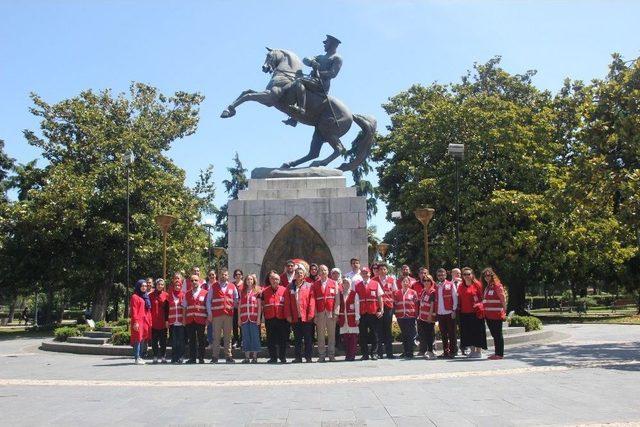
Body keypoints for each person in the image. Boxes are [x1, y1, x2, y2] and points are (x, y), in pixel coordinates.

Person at [283, 34, 343, 127]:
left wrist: (319, 72)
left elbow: (333, 74)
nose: (324, 44)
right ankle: (294, 118)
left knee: (299, 81)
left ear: (332, 44)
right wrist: (312, 62)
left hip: (321, 84)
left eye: (326, 42)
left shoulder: (337, 58)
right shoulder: (320, 57)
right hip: (313, 80)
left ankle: (301, 109)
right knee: (294, 80)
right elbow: (305, 59)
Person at [284, 266, 315, 363]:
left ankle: (308, 357)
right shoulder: (290, 286)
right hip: (295, 317)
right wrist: (288, 315)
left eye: (301, 273)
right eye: (297, 273)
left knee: (308, 338)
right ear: (295, 275)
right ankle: (298, 357)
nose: (299, 275)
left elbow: (312, 301)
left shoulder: (309, 286)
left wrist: (311, 314)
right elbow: (287, 302)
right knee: (297, 338)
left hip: (306, 317)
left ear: (304, 275)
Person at [207, 268, 238, 363]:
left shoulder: (232, 286)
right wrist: (210, 314)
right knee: (216, 336)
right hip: (216, 315)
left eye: (225, 275)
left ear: (228, 276)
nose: (223, 276)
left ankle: (228, 356)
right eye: (221, 274)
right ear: (218, 276)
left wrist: (232, 308)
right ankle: (215, 356)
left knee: (228, 336)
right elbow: (208, 300)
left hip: (228, 315)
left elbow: (236, 299)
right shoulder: (213, 286)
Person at [312, 265, 341, 362]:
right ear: (319, 272)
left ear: (328, 271)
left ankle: (331, 355)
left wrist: (336, 312)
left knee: (332, 335)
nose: (323, 272)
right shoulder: (315, 284)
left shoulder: (334, 283)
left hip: (331, 313)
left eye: (325, 270)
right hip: (320, 313)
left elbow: (337, 300)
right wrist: (315, 315)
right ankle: (321, 355)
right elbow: (313, 301)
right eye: (321, 270)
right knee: (320, 335)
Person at [355, 267, 383, 360]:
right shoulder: (357, 285)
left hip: (373, 313)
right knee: (362, 335)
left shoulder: (376, 284)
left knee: (374, 334)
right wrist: (356, 315)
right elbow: (355, 300)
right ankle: (365, 354)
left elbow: (379, 298)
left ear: (370, 273)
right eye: (363, 273)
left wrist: (381, 309)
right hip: (362, 313)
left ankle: (374, 353)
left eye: (366, 272)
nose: (364, 274)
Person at [458, 268, 487, 358]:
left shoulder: (477, 284)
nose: (467, 276)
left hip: (476, 313)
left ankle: (478, 351)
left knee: (477, 332)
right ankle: (472, 351)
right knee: (468, 333)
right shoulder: (461, 286)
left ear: (472, 274)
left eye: (468, 274)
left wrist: (479, 304)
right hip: (464, 313)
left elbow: (483, 299)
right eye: (464, 274)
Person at [262, 271, 289, 363]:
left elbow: (287, 304)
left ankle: (282, 357)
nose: (274, 281)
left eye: (277, 279)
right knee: (271, 340)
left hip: (282, 318)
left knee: (283, 339)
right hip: (270, 318)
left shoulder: (284, 290)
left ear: (279, 280)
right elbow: (261, 304)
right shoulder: (264, 291)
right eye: (273, 279)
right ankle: (273, 357)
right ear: (270, 280)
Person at [482, 267, 507, 360]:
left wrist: (505, 311)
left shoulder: (497, 285)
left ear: (492, 275)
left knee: (497, 334)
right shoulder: (488, 287)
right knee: (494, 334)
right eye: (485, 276)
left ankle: (499, 354)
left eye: (488, 275)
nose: (486, 277)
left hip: (496, 314)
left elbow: (503, 299)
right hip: (489, 315)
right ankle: (497, 353)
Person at [373, 263, 397, 359]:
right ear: (378, 271)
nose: (383, 271)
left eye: (384, 269)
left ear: (387, 270)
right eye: (381, 269)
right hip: (378, 308)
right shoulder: (374, 280)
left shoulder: (391, 280)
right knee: (379, 330)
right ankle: (379, 353)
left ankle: (389, 353)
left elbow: (395, 292)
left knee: (388, 329)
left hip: (389, 307)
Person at [183, 274, 208, 364]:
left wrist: (208, 318)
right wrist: (184, 319)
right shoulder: (187, 293)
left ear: (199, 281)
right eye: (192, 280)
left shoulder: (205, 293)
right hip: (190, 320)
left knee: (201, 340)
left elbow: (207, 306)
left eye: (196, 280)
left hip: (201, 320)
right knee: (191, 340)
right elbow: (184, 307)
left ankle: (201, 358)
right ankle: (192, 358)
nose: (194, 282)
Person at [435, 268, 458, 358]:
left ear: (445, 275)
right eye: (439, 275)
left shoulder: (450, 284)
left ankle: (453, 351)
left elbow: (455, 298)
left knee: (452, 333)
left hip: (449, 312)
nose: (441, 276)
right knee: (443, 333)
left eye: (442, 274)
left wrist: (454, 310)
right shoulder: (437, 286)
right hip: (440, 313)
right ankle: (445, 351)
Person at [239, 274, 262, 364]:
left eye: (251, 279)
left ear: (254, 281)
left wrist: (259, 318)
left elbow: (259, 306)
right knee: (245, 337)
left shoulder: (257, 292)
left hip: (254, 318)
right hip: (244, 318)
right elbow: (240, 306)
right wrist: (239, 319)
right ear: (245, 281)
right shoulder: (242, 292)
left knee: (254, 337)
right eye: (248, 279)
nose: (249, 281)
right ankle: (247, 357)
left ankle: (255, 357)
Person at [394, 276, 418, 359]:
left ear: (409, 283)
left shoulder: (413, 292)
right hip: (400, 317)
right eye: (403, 281)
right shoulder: (397, 293)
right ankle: (405, 351)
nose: (405, 283)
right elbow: (395, 304)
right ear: (401, 283)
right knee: (404, 335)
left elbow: (416, 304)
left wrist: (416, 315)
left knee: (410, 335)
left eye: (406, 281)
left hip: (410, 316)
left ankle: (410, 352)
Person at [338, 277, 360, 361]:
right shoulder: (340, 294)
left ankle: (352, 355)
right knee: (346, 338)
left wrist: (357, 317)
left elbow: (357, 306)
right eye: (344, 283)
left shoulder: (354, 294)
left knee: (353, 338)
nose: (346, 284)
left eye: (347, 282)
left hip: (352, 318)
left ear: (350, 284)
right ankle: (347, 355)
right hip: (343, 319)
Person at [130, 279, 151, 365]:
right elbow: (134, 310)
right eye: (142, 286)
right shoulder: (135, 296)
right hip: (138, 321)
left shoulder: (144, 296)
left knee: (141, 339)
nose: (144, 287)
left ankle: (140, 357)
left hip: (143, 321)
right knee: (137, 340)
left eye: (145, 286)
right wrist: (135, 322)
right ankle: (136, 357)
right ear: (138, 286)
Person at [416, 273, 437, 359]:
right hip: (422, 317)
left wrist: (429, 316)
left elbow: (432, 305)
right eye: (424, 280)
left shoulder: (433, 292)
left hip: (429, 317)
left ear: (431, 282)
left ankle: (431, 351)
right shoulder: (424, 291)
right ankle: (427, 351)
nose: (426, 282)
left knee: (430, 335)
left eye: (428, 280)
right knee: (424, 335)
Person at [149, 278, 169, 364]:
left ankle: (163, 356)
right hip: (153, 322)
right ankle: (155, 356)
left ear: (163, 286)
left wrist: (167, 320)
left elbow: (168, 309)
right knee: (154, 340)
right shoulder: (150, 295)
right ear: (156, 285)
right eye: (158, 284)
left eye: (161, 284)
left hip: (163, 322)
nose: (160, 286)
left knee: (163, 341)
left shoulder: (166, 295)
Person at [168, 275, 186, 364]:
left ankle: (181, 356)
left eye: (179, 285)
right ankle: (174, 357)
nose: (177, 287)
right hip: (172, 322)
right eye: (176, 285)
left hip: (181, 322)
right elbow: (167, 309)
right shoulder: (169, 295)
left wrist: (184, 320)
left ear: (181, 286)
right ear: (173, 286)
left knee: (181, 341)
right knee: (174, 341)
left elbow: (185, 308)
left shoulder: (183, 295)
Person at [204, 270, 217, 346]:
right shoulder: (204, 286)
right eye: (210, 275)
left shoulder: (219, 285)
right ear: (208, 276)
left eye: (213, 274)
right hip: (207, 308)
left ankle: (217, 342)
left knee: (217, 326)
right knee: (209, 326)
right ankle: (210, 342)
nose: (212, 276)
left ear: (215, 275)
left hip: (217, 308)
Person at [232, 269, 244, 349]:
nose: (238, 276)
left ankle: (242, 340)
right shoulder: (232, 285)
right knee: (235, 325)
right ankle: (236, 340)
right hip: (234, 308)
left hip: (242, 308)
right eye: (236, 274)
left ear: (242, 275)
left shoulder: (244, 285)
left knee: (242, 325)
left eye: (239, 274)